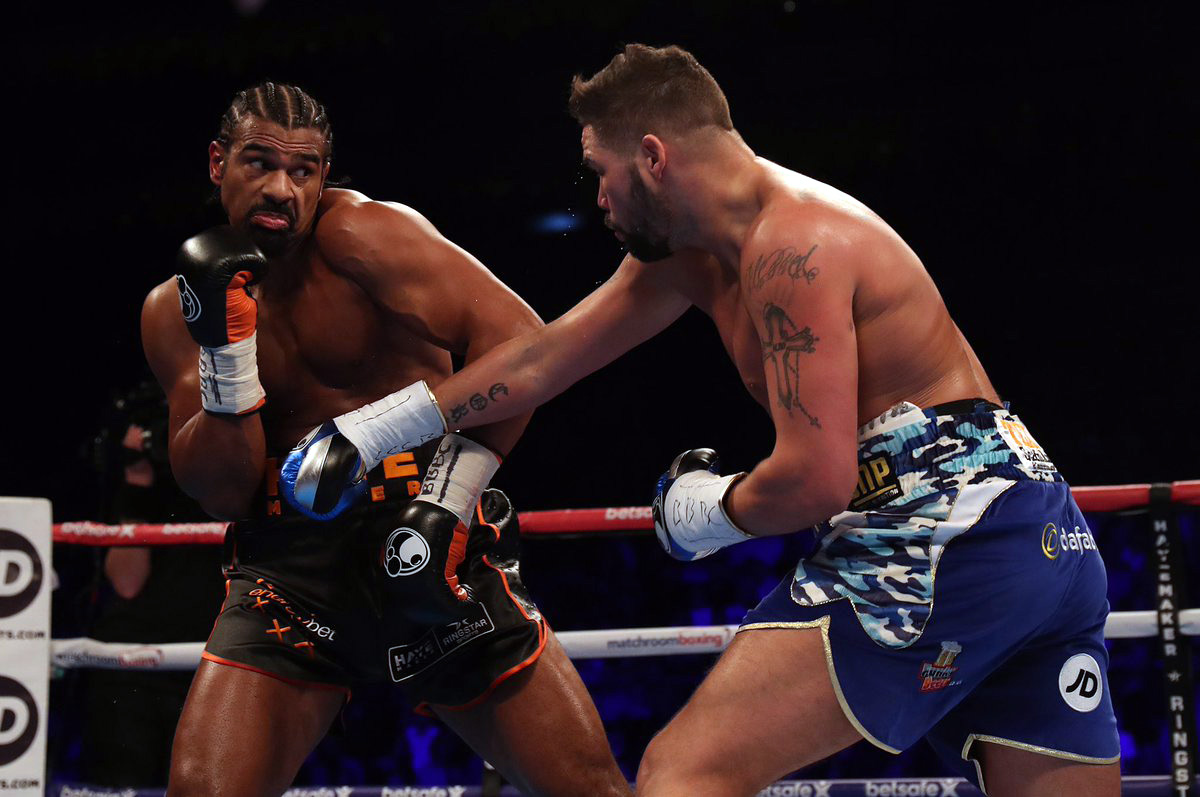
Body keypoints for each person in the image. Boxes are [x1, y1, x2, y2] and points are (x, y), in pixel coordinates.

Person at [283, 46, 1122, 796]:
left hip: (941, 529)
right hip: (1036, 529)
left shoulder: (794, 246)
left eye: (600, 170)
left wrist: (707, 510)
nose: (596, 197)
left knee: (686, 774)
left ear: (652, 157)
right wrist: (377, 430)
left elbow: (818, 478)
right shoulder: (688, 258)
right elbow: (544, 358)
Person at [141, 81, 630, 797]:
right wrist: (227, 357)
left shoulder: (361, 235)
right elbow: (223, 490)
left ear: (324, 176)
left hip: (424, 536)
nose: (281, 189)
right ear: (218, 163)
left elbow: (524, 344)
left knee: (587, 789)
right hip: (289, 573)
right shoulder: (172, 310)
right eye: (259, 163)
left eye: (303, 170)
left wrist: (448, 500)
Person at [80, 379, 226, 787]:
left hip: (215, 663)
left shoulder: (236, 470)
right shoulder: (138, 486)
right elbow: (127, 583)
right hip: (135, 667)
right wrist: (137, 482)